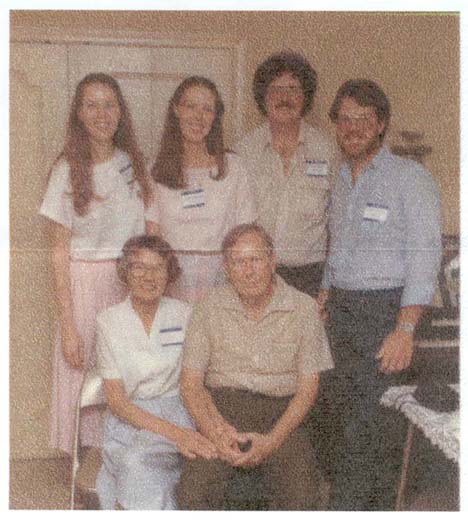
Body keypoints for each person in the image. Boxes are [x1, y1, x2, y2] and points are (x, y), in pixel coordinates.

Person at [317, 79, 442, 510]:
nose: (352, 127)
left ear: (382, 124)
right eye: (345, 119)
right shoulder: (341, 180)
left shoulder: (411, 178)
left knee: (372, 430)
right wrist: (325, 294)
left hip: (385, 314)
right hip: (342, 314)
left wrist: (404, 329)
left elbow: (424, 260)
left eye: (363, 119)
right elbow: (338, 248)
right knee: (339, 423)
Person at [39, 73, 158, 455]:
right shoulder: (65, 170)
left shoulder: (133, 166)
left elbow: (152, 231)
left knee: (127, 375)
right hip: (84, 287)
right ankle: (87, 470)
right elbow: (58, 252)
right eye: (91, 104)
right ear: (78, 113)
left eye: (109, 104)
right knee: (83, 371)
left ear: (121, 112)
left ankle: (124, 459)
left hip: (129, 284)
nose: (101, 113)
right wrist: (69, 325)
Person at [177, 223, 333, 510]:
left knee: (304, 496)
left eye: (257, 259)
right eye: (238, 262)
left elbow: (309, 389)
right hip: (221, 410)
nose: (248, 271)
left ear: (273, 261)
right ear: (226, 267)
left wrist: (271, 442)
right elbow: (190, 384)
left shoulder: (303, 308)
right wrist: (215, 435)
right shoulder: (208, 306)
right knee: (193, 492)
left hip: (282, 412)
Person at [95, 235, 217, 510]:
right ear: (125, 271)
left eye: (158, 267)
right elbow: (117, 402)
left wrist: (184, 431)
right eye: (139, 267)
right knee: (137, 465)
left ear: (169, 273)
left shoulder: (185, 313)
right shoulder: (108, 321)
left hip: (179, 410)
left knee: (139, 467)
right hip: (130, 418)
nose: (149, 276)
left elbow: (195, 383)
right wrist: (176, 435)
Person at [235, 51, 339, 297]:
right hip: (255, 274)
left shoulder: (328, 151)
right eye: (276, 89)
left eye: (293, 88)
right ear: (263, 96)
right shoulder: (242, 152)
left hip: (310, 277)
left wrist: (329, 284)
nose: (284, 97)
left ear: (305, 97)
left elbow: (338, 224)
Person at [150, 76, 257, 303]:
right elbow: (153, 237)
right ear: (176, 109)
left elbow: (246, 233)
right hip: (172, 282)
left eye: (208, 109)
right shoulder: (156, 171)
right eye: (190, 106)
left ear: (215, 117)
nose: (198, 117)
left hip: (224, 281)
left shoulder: (234, 168)